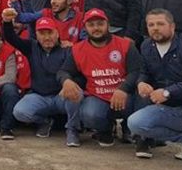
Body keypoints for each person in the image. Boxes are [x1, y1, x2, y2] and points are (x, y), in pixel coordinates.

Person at [127, 9, 182, 160]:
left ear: (172, 26)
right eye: (151, 25)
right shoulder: (146, 46)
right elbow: (144, 72)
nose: (155, 28)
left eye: (160, 24)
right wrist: (141, 83)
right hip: (169, 109)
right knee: (135, 123)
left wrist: (167, 92)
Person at [58, 8, 141, 147]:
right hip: (98, 97)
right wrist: (66, 81)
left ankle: (129, 127)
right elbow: (63, 71)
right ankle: (105, 129)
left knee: (141, 99)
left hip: (124, 95)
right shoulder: (78, 49)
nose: (96, 28)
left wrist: (123, 89)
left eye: (100, 24)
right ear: (85, 28)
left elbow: (136, 71)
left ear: (108, 25)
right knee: (89, 114)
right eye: (91, 25)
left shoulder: (126, 45)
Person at [0, 9, 82, 146]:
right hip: (40, 96)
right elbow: (11, 38)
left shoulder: (67, 49)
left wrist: (70, 84)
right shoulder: (32, 47)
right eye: (42, 34)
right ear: (36, 35)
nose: (47, 37)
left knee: (76, 93)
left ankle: (72, 130)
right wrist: (7, 22)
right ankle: (45, 122)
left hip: (61, 97)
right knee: (20, 111)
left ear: (57, 33)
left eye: (50, 33)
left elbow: (78, 74)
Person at [11, 0, 84, 45]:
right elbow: (21, 18)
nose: (53, 1)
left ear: (69, 1)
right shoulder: (46, 13)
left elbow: (86, 43)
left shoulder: (81, 18)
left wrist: (73, 46)